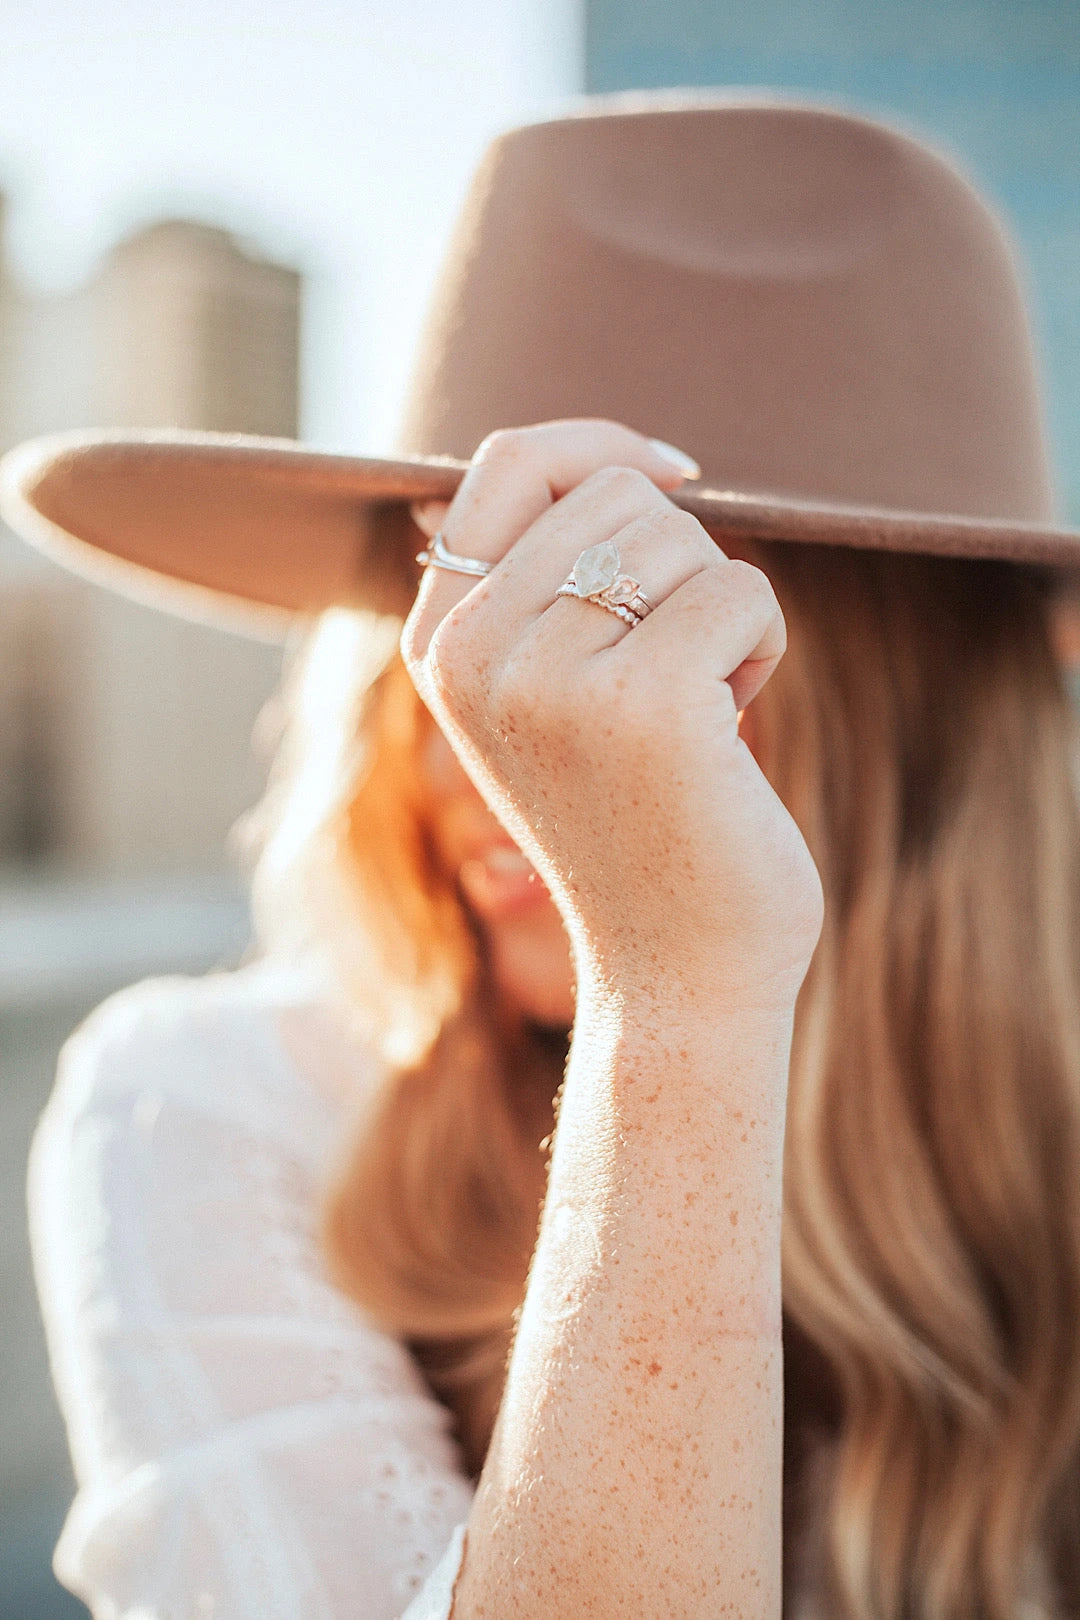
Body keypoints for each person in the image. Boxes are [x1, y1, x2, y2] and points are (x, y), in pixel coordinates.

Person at [12, 93, 1080, 1619]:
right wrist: (682, 991)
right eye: (457, 619)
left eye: (622, 628)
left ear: (922, 735)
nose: (494, 756)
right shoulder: (222, 1107)